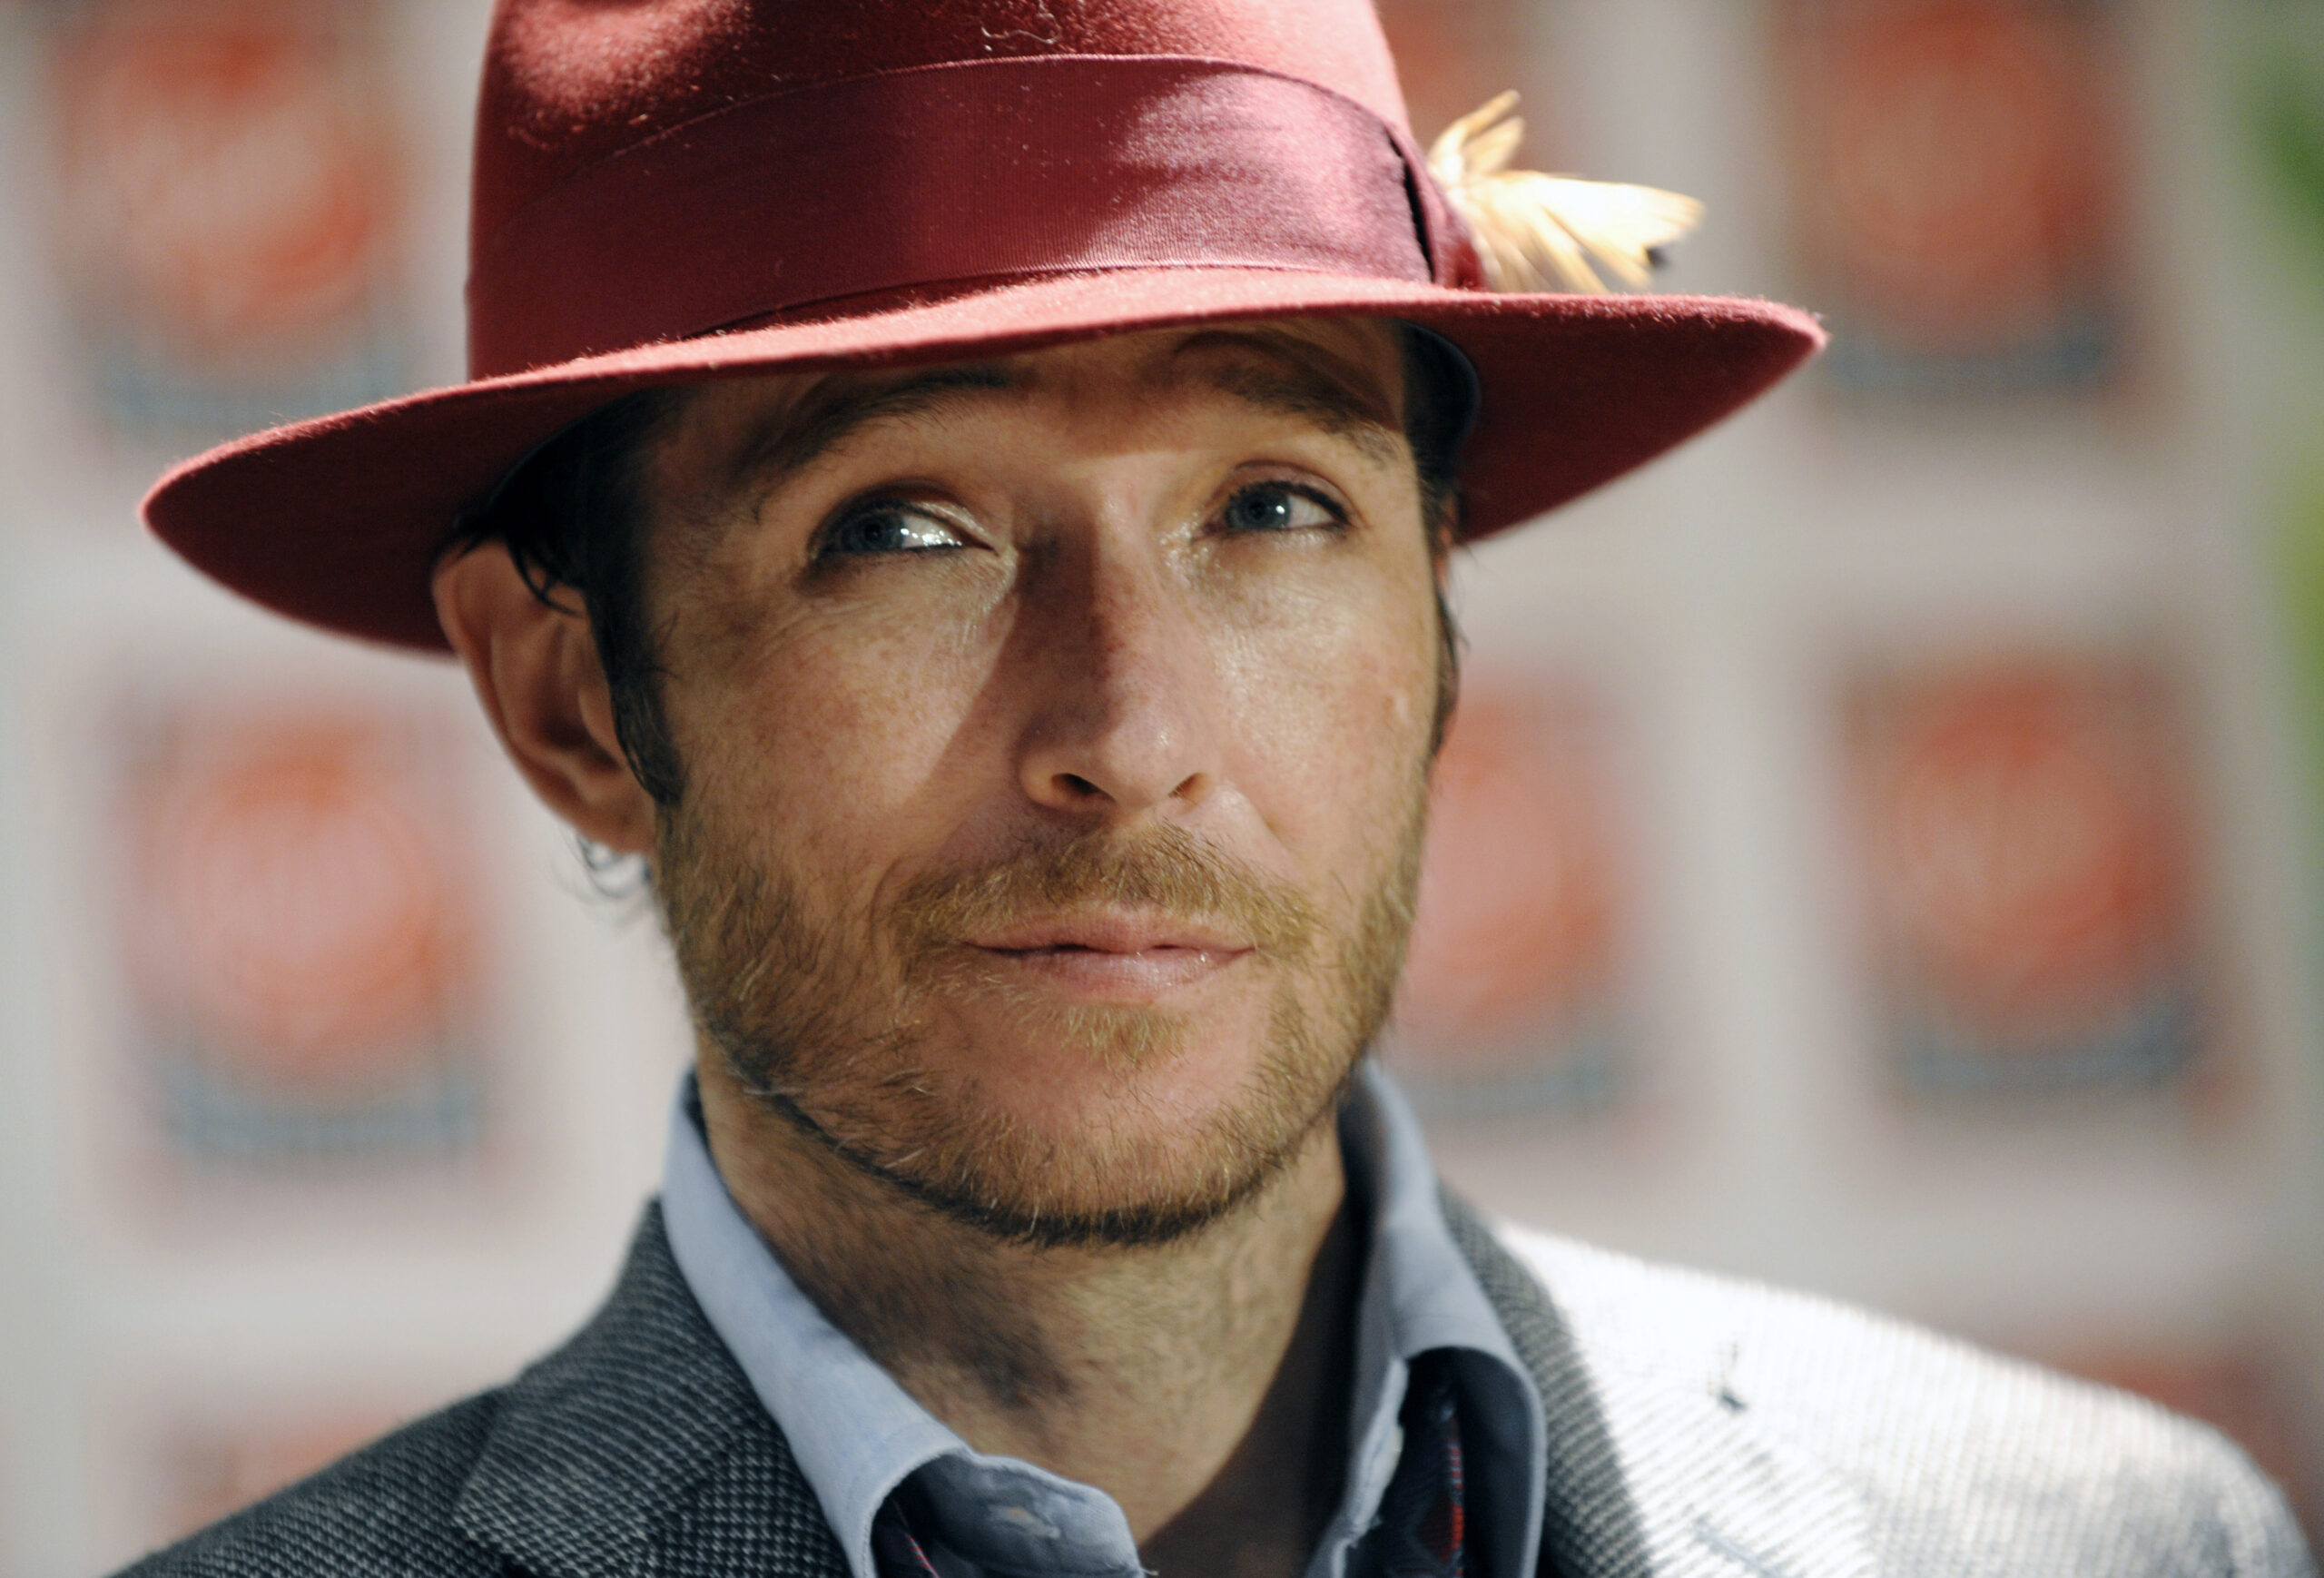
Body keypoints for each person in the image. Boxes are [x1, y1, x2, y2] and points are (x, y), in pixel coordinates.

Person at [125, 1, 2310, 1575]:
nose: (1130, 722)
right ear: (573, 699)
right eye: (904, 527)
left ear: (1435, 610)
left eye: (1271, 505)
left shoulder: (2096, 1538)